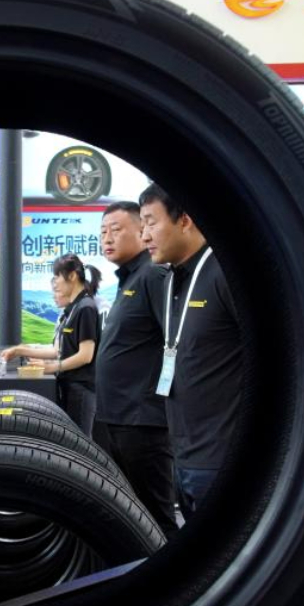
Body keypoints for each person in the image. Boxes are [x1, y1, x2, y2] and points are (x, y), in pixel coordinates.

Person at [138, 183, 240, 515]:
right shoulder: (171, 279)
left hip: (222, 460)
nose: (144, 235)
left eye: (151, 222)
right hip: (183, 457)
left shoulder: (225, 273)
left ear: (185, 219)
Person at [91, 202, 178, 537]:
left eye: (116, 229)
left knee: (155, 517)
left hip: (142, 422)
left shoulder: (153, 275)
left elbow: (175, 340)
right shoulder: (129, 279)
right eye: (102, 232)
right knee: (130, 516)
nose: (107, 238)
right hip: (118, 418)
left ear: (142, 233)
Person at [1, 255, 101, 435]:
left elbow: (86, 355)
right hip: (69, 385)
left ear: (72, 276)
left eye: (57, 277)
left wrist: (53, 367)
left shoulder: (86, 307)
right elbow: (57, 350)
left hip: (81, 388)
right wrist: (20, 350)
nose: (55, 283)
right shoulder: (73, 309)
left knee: (79, 442)